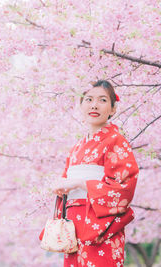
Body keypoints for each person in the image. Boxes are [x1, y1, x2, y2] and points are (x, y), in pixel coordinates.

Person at [52, 80, 139, 267]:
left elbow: (123, 188)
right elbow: (67, 184)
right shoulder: (76, 147)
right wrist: (62, 189)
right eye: (89, 99)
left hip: (101, 225)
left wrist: (79, 184)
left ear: (113, 109)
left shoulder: (116, 141)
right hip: (74, 226)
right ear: (81, 106)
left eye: (102, 100)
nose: (94, 105)